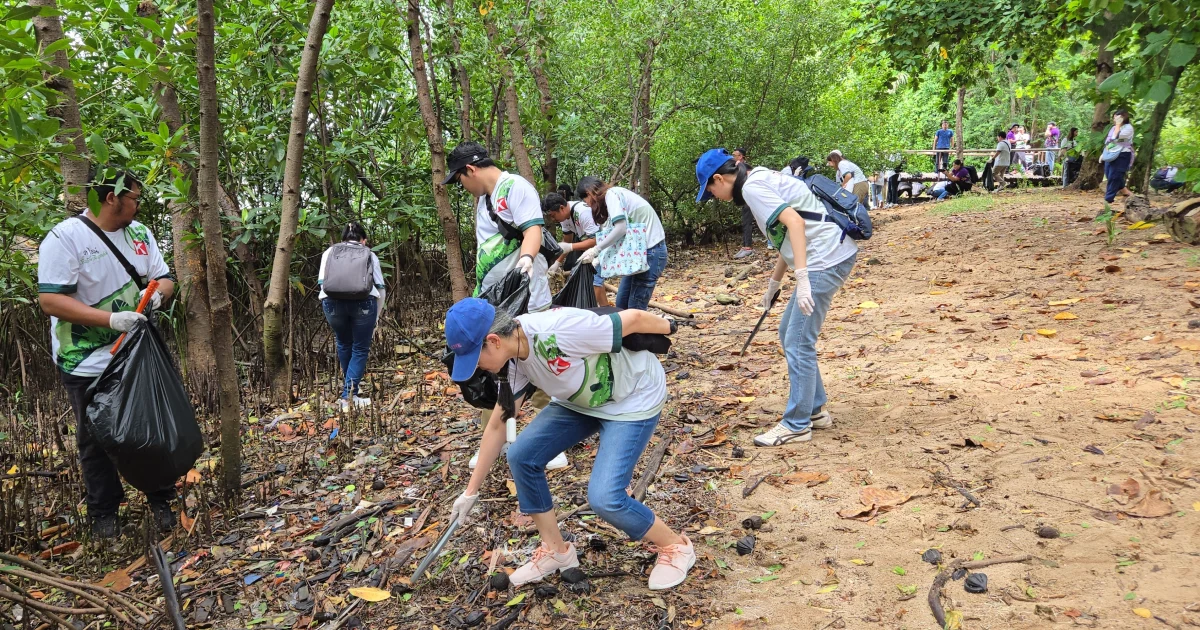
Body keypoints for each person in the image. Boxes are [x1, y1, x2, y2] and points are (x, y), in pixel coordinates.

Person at [444, 299, 696, 590]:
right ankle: (557, 552)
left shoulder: (560, 330)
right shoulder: (512, 358)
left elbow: (636, 318)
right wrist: (470, 492)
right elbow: (501, 421)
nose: (478, 369)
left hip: (632, 400)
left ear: (494, 341)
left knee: (605, 498)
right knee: (522, 455)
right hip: (580, 402)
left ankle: (676, 546)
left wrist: (672, 326)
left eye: (476, 359)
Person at [37, 169, 178, 538]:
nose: (137, 205)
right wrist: (110, 319)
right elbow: (51, 300)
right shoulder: (65, 238)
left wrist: (159, 295)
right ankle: (104, 512)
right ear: (112, 197)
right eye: (134, 197)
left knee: (150, 425)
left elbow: (164, 277)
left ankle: (161, 497)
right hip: (84, 359)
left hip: (136, 351)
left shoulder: (141, 234)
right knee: (94, 436)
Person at [696, 149, 857, 447]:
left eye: (711, 191)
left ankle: (797, 424)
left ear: (719, 178)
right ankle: (816, 410)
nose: (714, 197)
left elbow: (795, 224)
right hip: (825, 255)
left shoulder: (754, 188)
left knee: (798, 340)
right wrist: (774, 283)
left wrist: (803, 279)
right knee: (789, 332)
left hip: (824, 258)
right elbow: (786, 236)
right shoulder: (757, 180)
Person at [443, 141, 567, 471]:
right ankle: (494, 438)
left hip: (525, 294)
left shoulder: (514, 187)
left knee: (536, 361)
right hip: (496, 299)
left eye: (459, 180)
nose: (461, 187)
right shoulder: (485, 199)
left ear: (470, 170)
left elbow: (533, 230)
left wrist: (526, 260)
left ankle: (550, 441)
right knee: (493, 365)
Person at [318, 222, 385, 412]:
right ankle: (349, 395)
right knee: (360, 348)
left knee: (344, 343)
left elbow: (322, 284)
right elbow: (380, 288)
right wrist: (376, 317)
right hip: (364, 305)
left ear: (342, 240)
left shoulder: (329, 253)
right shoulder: (370, 255)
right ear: (363, 240)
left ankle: (350, 389)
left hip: (331, 304)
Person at [575, 176, 668, 311]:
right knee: (622, 305)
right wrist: (598, 258)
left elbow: (621, 228)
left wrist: (595, 250)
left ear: (589, 194)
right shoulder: (615, 198)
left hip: (651, 251)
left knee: (634, 308)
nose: (588, 205)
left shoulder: (612, 195)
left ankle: (649, 330)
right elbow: (616, 237)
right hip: (637, 255)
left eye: (586, 202)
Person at [541, 192, 606, 306]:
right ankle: (606, 310)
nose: (552, 219)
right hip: (591, 250)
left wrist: (571, 247)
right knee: (597, 282)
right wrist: (557, 263)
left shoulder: (582, 212)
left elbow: (597, 240)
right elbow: (567, 241)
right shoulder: (565, 218)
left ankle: (589, 313)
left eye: (552, 215)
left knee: (594, 284)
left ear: (561, 208)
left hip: (604, 246)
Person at [1102, 109, 1136, 203]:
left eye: (1117, 118)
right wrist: (1104, 153)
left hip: (1122, 154)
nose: (1115, 120)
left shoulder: (1128, 128)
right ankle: (1126, 192)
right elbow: (1109, 140)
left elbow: (1115, 137)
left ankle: (1108, 199)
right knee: (1109, 174)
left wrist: (1118, 125)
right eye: (1114, 118)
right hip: (1110, 152)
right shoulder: (1113, 128)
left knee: (1114, 176)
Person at [732, 148, 755, 259]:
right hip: (745, 198)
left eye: (734, 155)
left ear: (740, 156)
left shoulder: (746, 167)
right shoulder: (738, 167)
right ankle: (745, 246)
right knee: (745, 222)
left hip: (750, 198)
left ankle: (748, 248)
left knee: (747, 222)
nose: (733, 157)